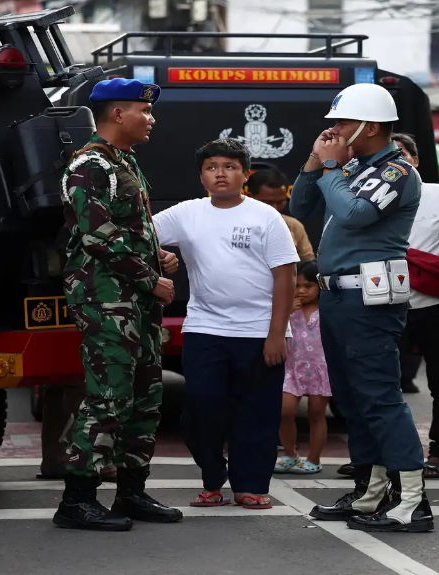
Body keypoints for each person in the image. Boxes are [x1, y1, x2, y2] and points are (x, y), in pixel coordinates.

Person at [289, 82, 433, 533]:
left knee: (379, 396)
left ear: (369, 127)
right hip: (338, 295)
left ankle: (412, 501)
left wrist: (332, 166)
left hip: (368, 297)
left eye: (343, 122)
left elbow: (354, 215)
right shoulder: (353, 167)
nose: (334, 129)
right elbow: (300, 205)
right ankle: (369, 491)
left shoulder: (398, 171)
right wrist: (316, 163)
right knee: (352, 399)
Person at [53, 78, 183, 531]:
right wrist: (151, 278)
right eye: (143, 111)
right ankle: (77, 499)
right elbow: (95, 235)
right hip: (106, 299)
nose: (151, 119)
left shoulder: (123, 161)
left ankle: (131, 492)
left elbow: (128, 229)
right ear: (116, 113)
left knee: (145, 396)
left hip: (134, 299)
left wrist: (158, 256)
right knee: (108, 396)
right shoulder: (89, 165)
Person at [153, 138, 299, 511]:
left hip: (259, 332)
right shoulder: (187, 213)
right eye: (212, 167)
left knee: (256, 412)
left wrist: (277, 334)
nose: (221, 174)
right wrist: (162, 256)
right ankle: (212, 477)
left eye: (230, 167)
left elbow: (286, 276)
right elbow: (136, 235)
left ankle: (250, 485)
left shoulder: (266, 217)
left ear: (245, 174)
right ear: (201, 175)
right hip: (205, 329)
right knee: (201, 409)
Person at [391, 132, 439, 479]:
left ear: (416, 160)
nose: (395, 161)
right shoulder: (369, 198)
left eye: (401, 154)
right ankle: (382, 455)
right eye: (386, 156)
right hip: (385, 305)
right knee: (381, 383)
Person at [275, 259, 331, 475]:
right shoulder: (288, 309)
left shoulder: (325, 310)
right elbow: (275, 328)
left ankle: (314, 459)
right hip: (292, 368)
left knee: (317, 413)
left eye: (308, 286)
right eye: (297, 286)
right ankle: (290, 454)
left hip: (320, 369)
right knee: (284, 411)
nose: (301, 291)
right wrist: (286, 310)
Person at [246, 169, 315, 261]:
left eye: (280, 202)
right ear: (249, 197)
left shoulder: (293, 226)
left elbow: (308, 263)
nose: (275, 208)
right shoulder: (232, 224)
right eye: (267, 202)